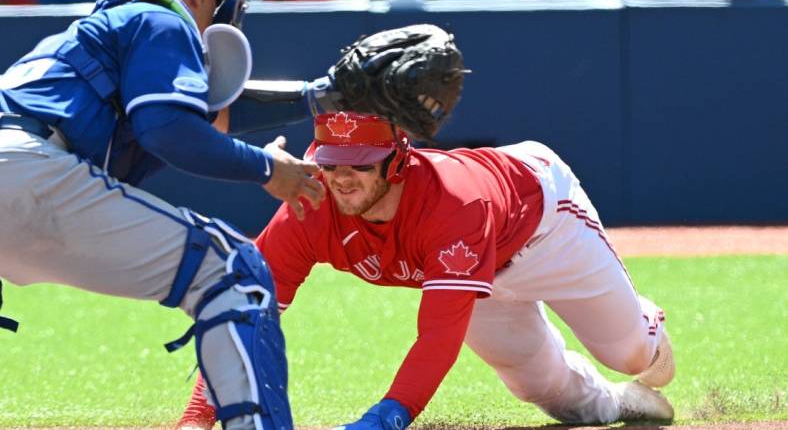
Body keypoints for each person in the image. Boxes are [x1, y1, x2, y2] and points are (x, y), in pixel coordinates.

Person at [177, 111, 677, 429]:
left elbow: (437, 338)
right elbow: (250, 309)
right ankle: (616, 405)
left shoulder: (453, 204)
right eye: (331, 163)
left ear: (395, 161)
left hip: (543, 228)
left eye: (361, 162)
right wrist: (200, 412)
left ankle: (647, 324)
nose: (342, 178)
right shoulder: (311, 204)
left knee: (632, 352)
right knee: (539, 389)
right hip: (470, 277)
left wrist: (388, 416)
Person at [0, 0, 328, 428]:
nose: (226, 8)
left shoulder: (95, 36)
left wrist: (319, 97)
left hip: (21, 161)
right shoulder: (163, 19)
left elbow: (197, 111)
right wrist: (269, 168)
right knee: (233, 269)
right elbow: (169, 129)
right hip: (26, 172)